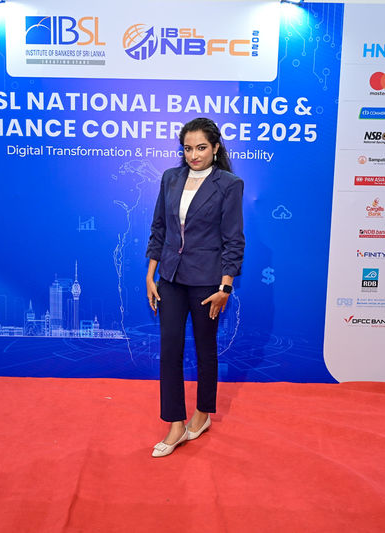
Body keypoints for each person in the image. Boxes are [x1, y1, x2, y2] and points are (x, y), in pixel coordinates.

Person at [145, 117, 244, 457]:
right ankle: (175, 424)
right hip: (170, 279)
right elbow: (159, 228)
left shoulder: (229, 184)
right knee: (170, 349)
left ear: (215, 148)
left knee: (205, 350)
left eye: (201, 147)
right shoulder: (170, 178)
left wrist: (225, 287)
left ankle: (201, 415)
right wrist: (151, 274)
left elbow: (234, 239)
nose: (194, 155)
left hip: (207, 282)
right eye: (188, 148)